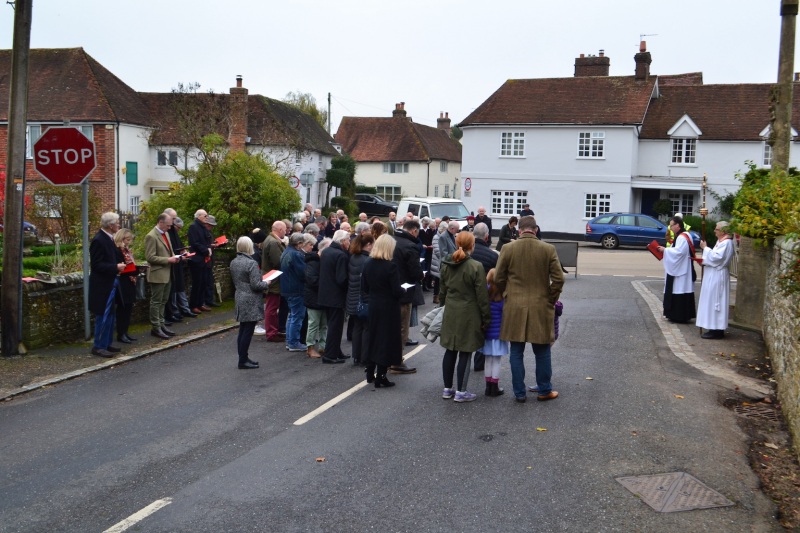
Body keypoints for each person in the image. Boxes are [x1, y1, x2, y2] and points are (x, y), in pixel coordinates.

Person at [494, 215, 564, 402]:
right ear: (536, 229)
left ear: (519, 230)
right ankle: (544, 390)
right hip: (541, 305)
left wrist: (507, 293)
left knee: (516, 351)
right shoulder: (548, 249)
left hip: (514, 305)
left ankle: (519, 393)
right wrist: (550, 298)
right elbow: (559, 279)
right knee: (542, 351)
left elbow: (498, 277)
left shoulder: (508, 248)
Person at [439, 231, 491, 402]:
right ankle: (461, 392)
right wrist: (486, 318)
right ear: (472, 245)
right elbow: (482, 297)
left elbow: (442, 291)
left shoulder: (446, 263)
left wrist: (442, 308)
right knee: (465, 351)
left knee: (450, 350)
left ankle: (447, 389)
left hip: (451, 311)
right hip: (469, 313)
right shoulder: (475, 266)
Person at [362, 234, 405, 388]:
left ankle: (370, 372)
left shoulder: (368, 263)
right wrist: (404, 290)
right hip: (388, 307)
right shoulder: (390, 266)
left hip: (374, 304)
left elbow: (364, 287)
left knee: (374, 337)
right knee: (386, 340)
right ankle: (381, 375)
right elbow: (396, 291)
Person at [230, 236, 270, 369]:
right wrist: (267, 283)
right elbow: (256, 285)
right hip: (251, 299)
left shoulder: (234, 262)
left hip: (240, 296)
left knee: (243, 329)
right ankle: (243, 360)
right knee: (248, 330)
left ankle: (243, 357)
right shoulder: (251, 263)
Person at [89, 212, 125, 357]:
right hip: (102, 285)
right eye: (117, 223)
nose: (119, 225)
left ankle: (107, 343)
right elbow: (96, 265)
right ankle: (98, 346)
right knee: (103, 315)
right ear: (110, 225)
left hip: (110, 282)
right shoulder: (99, 240)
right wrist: (115, 267)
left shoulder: (109, 238)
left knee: (110, 315)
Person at [392, 219, 423, 373]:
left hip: (390, 291)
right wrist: (421, 275)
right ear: (414, 230)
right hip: (404, 292)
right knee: (402, 328)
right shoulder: (410, 246)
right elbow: (415, 271)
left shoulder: (392, 241)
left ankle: (389, 359)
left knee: (391, 328)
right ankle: (397, 362)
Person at [145, 213, 182, 339]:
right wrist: (168, 260)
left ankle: (161, 324)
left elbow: (169, 252)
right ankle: (156, 327)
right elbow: (150, 257)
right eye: (168, 225)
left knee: (164, 300)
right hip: (157, 274)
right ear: (160, 222)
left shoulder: (166, 234)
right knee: (156, 301)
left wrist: (177, 257)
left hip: (167, 273)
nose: (169, 228)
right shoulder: (151, 236)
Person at [696, 221, 735, 339]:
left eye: (716, 229)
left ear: (723, 231)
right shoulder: (721, 241)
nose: (714, 231)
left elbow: (716, 257)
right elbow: (713, 258)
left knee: (716, 301)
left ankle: (717, 330)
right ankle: (712, 327)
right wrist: (703, 261)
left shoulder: (727, 243)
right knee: (710, 300)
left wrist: (705, 248)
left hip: (718, 275)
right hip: (713, 274)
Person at [318, 229, 351, 364]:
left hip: (325, 294)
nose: (349, 242)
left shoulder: (326, 251)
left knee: (333, 325)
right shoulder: (341, 255)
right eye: (348, 240)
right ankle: (330, 355)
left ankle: (336, 351)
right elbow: (341, 279)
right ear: (342, 241)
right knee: (335, 327)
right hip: (336, 296)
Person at [656, 216, 697, 324]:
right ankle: (677, 315)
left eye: (671, 225)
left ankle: (678, 316)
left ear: (678, 225)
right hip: (683, 267)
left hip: (681, 270)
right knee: (680, 289)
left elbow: (679, 252)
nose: (670, 228)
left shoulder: (682, 237)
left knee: (678, 289)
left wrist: (665, 250)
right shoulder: (684, 235)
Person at [346, 233, 375, 366]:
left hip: (352, 297)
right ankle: (365, 357)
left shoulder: (353, 257)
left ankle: (356, 356)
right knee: (367, 328)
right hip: (364, 298)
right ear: (368, 245)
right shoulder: (368, 260)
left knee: (357, 327)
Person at [280, 233, 309, 352]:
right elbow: (302, 273)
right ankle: (293, 342)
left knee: (292, 316)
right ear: (299, 243)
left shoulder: (286, 252)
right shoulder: (296, 254)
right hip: (296, 289)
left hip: (287, 288)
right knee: (297, 316)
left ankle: (290, 341)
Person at [482, 268, 508, 397]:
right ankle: (494, 387)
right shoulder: (502, 294)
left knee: (487, 359)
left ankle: (487, 387)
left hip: (487, 333)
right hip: (498, 333)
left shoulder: (485, 292)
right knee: (497, 360)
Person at [305, 237, 331, 358]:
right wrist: (327, 284)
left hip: (322, 297)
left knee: (323, 324)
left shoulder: (321, 261)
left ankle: (322, 346)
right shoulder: (313, 262)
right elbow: (312, 281)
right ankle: (310, 347)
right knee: (313, 324)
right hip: (314, 298)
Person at [262, 220, 287, 342]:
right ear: (280, 230)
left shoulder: (270, 240)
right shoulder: (273, 242)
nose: (286, 232)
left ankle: (274, 330)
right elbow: (278, 262)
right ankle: (271, 333)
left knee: (272, 306)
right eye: (285, 229)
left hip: (272, 277)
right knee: (272, 307)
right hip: (273, 279)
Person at [114, 228, 138, 344]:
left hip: (130, 280)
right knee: (122, 309)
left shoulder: (127, 250)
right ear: (121, 239)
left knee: (128, 308)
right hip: (123, 281)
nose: (129, 242)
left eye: (129, 240)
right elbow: (120, 267)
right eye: (127, 240)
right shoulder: (117, 250)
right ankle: (121, 333)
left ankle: (125, 332)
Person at [187, 209, 212, 313]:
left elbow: (207, 240)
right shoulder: (193, 227)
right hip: (197, 259)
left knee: (204, 282)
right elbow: (195, 243)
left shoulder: (203, 227)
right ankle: (194, 305)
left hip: (204, 259)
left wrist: (209, 248)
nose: (207, 217)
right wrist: (206, 250)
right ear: (198, 216)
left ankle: (201, 303)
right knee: (197, 283)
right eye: (205, 216)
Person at [430, 221, 448, 305]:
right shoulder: (436, 237)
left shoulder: (444, 236)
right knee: (437, 280)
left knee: (441, 279)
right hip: (437, 261)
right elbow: (437, 250)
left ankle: (441, 296)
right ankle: (436, 296)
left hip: (441, 261)